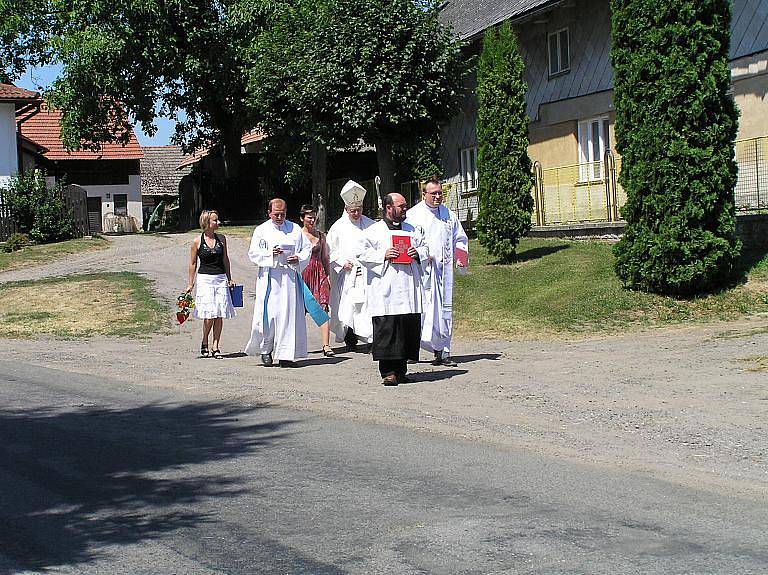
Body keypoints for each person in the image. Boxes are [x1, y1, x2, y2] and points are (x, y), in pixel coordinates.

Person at [358, 192, 428, 385]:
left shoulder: (413, 229)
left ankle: (401, 370)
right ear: (389, 208)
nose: (405, 209)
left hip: (407, 286)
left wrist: (417, 252)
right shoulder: (373, 231)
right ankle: (388, 372)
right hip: (386, 288)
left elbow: (425, 248)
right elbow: (361, 253)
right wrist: (383, 254)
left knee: (407, 327)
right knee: (388, 329)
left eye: (405, 206)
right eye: (401, 206)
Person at [405, 177, 468, 367]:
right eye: (433, 194)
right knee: (421, 311)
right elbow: (409, 240)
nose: (438, 197)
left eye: (440, 193)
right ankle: (412, 349)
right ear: (424, 194)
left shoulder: (449, 215)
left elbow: (460, 238)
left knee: (444, 313)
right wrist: (423, 256)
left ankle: (443, 351)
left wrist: (460, 257)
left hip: (444, 273)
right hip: (422, 273)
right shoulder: (413, 216)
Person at [245, 198, 313, 367]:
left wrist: (298, 257)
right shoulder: (262, 230)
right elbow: (253, 253)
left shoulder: (294, 229)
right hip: (270, 277)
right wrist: (270, 253)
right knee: (270, 315)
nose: (279, 217)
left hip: (289, 278)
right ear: (269, 213)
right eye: (276, 214)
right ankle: (266, 350)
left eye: (282, 214)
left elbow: (307, 249)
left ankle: (285, 354)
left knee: (288, 315)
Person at [327, 180, 375, 352]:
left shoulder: (372, 225)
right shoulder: (337, 228)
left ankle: (371, 339)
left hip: (367, 274)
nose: (356, 213)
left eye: (359, 210)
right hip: (347, 274)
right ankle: (350, 335)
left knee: (366, 307)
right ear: (346, 209)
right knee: (348, 307)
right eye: (353, 210)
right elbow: (330, 251)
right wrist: (341, 263)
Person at [186, 209, 236, 359]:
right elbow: (193, 263)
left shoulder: (222, 239)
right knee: (209, 314)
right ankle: (204, 340)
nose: (218, 222)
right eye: (215, 220)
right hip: (205, 279)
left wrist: (229, 278)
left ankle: (216, 346)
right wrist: (190, 284)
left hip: (220, 278)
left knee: (219, 313)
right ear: (207, 222)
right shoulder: (197, 241)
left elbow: (225, 259)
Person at [299, 204, 334, 357]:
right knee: (300, 310)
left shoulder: (320, 235)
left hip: (318, 273)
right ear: (302, 218)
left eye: (314, 217)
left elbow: (325, 257)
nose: (312, 220)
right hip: (302, 274)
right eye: (309, 217)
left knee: (323, 307)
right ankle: (297, 344)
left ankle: (326, 345)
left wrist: (328, 275)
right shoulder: (297, 235)